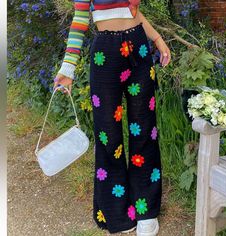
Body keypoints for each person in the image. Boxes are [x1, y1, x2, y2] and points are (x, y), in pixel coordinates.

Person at [54, 0, 171, 235]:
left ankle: (145, 211)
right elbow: (79, 21)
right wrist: (68, 68)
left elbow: (133, 13)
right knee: (108, 135)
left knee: (144, 131)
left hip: (138, 46)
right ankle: (117, 212)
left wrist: (157, 39)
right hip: (105, 54)